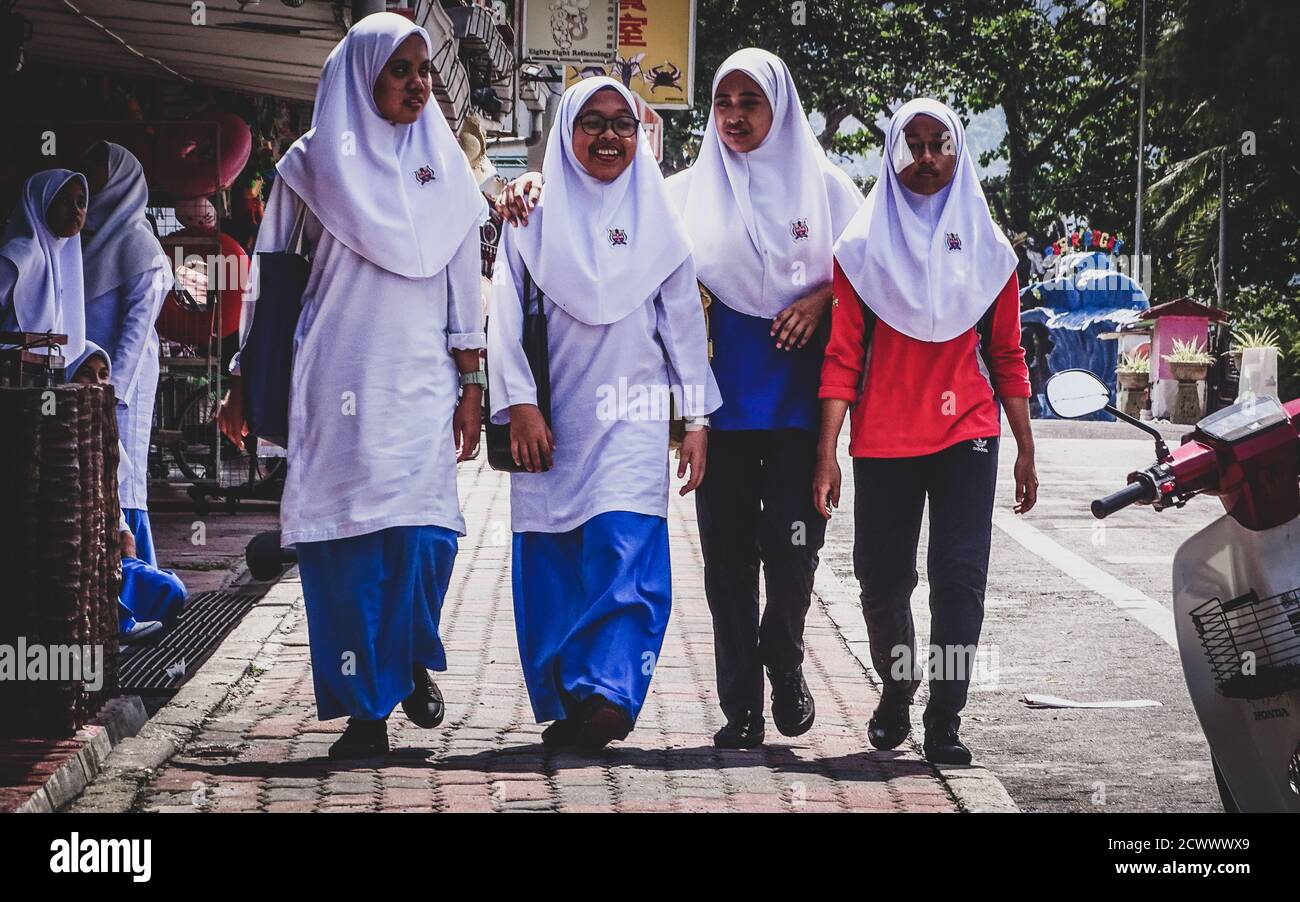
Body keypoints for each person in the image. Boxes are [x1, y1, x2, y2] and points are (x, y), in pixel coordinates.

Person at [231, 13, 488, 759]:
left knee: (426, 536)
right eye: (400, 69)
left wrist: (472, 380)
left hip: (423, 383)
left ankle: (405, 656)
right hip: (335, 380)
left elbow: (463, 286)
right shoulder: (310, 167)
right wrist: (246, 379)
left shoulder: (445, 166)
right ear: (360, 74)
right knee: (344, 545)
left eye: (424, 70)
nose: (418, 83)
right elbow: (272, 283)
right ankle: (366, 711)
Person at [487, 77, 719, 751]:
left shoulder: (659, 222)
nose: (611, 135)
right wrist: (520, 405)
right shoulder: (533, 217)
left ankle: (612, 691)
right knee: (554, 554)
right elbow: (503, 314)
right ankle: (571, 699)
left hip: (634, 414)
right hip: (552, 420)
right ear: (566, 131)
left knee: (624, 543)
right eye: (592, 122)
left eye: (623, 122)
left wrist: (696, 421)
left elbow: (681, 327)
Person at [813, 99, 1038, 765]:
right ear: (892, 154)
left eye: (940, 144)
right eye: (912, 145)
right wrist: (825, 451)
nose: (927, 159)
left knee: (958, 575)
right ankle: (897, 680)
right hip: (882, 439)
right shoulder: (859, 251)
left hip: (968, 433)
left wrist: (1025, 446)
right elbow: (842, 355)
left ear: (958, 152)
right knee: (881, 580)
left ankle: (945, 715)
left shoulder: (992, 254)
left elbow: (1007, 355)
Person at [665, 49, 863, 748]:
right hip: (717, 411)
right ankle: (741, 704)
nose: (735, 117)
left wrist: (822, 296)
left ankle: (784, 657)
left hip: (801, 410)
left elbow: (874, 271)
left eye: (751, 102)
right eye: (724, 102)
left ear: (780, 107)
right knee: (725, 558)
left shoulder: (829, 190)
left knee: (794, 548)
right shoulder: (684, 193)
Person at [79, 143, 174, 566]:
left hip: (121, 382)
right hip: (89, 375)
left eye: (99, 171)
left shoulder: (142, 247)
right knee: (93, 470)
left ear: (121, 180)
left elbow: (137, 330)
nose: (90, 178)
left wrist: (114, 390)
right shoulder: (86, 240)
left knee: (123, 470)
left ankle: (135, 580)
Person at [66, 341, 187, 642]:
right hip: (73, 557)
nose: (97, 384)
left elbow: (112, 495)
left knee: (171, 590)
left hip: (106, 553)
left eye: (103, 375)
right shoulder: (58, 432)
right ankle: (116, 626)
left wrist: (121, 530)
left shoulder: (104, 433)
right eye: (86, 374)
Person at [0, 169, 88, 363]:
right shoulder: (21, 255)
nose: (76, 211)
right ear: (41, 200)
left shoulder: (57, 255)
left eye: (81, 203)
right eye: (64, 201)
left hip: (38, 373)